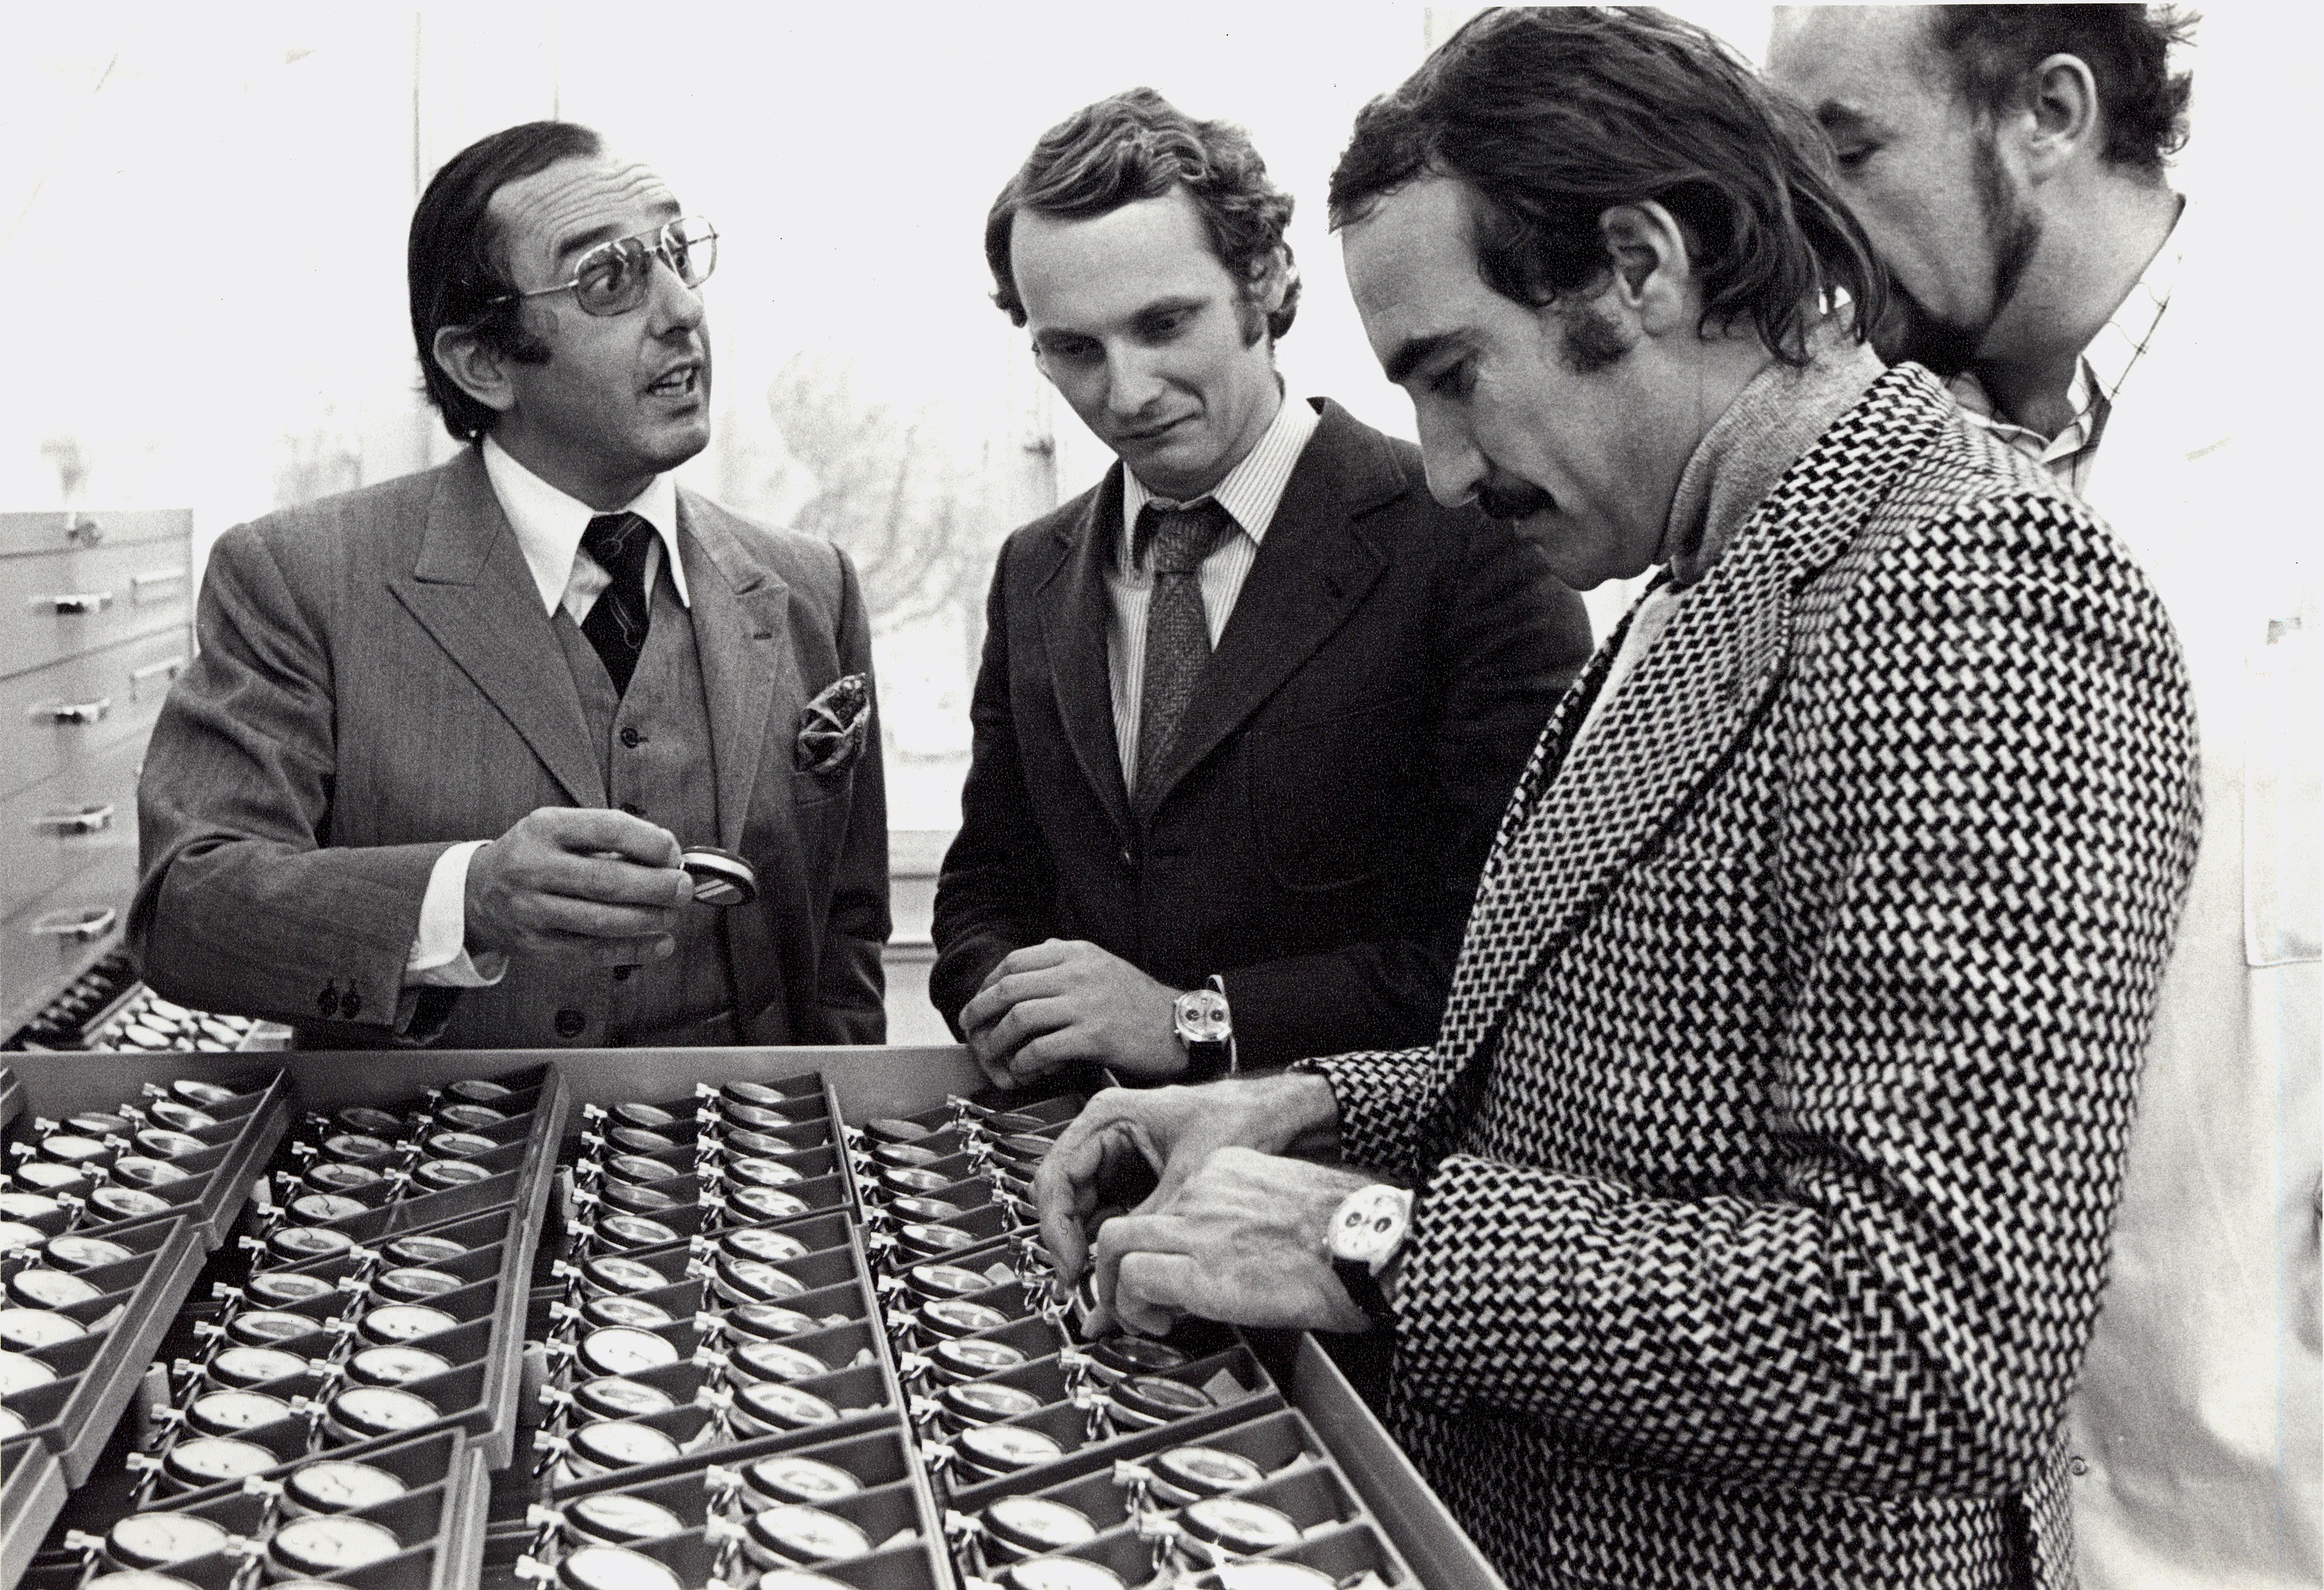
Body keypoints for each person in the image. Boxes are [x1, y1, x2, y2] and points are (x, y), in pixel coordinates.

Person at [1030, 12, 2202, 1588]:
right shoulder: (1702, 559)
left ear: (1639, 268)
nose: (1441, 466)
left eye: (1454, 376)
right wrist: (1299, 1109)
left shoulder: (1976, 584)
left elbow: (1928, 1335)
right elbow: (1590, 1080)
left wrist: (1355, 1238)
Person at [1766, 10, 2319, 1588]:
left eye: (1847, 149)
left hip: (2252, 1494)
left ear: (2049, 114)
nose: (1803, 221)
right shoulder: (1853, 481)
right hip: (1931, 1504)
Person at [131, 121, 889, 1050]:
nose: (681, 309)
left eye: (676, 253)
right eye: (610, 275)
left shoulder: (812, 586)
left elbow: (846, 938)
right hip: (432, 1176)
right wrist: (468, 896)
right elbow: (185, 909)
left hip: (750, 1173)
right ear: (483, 363)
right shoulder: (298, 578)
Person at [931, 89, 1589, 1089]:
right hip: (1073, 1159)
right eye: (1072, 349)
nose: (1126, 391)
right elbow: (985, 891)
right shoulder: (1035, 569)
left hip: (1342, 1180)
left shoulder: (1472, 540)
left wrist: (1195, 1024)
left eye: (1163, 324)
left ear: (1265, 280)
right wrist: (1007, 1001)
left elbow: (1504, 957)